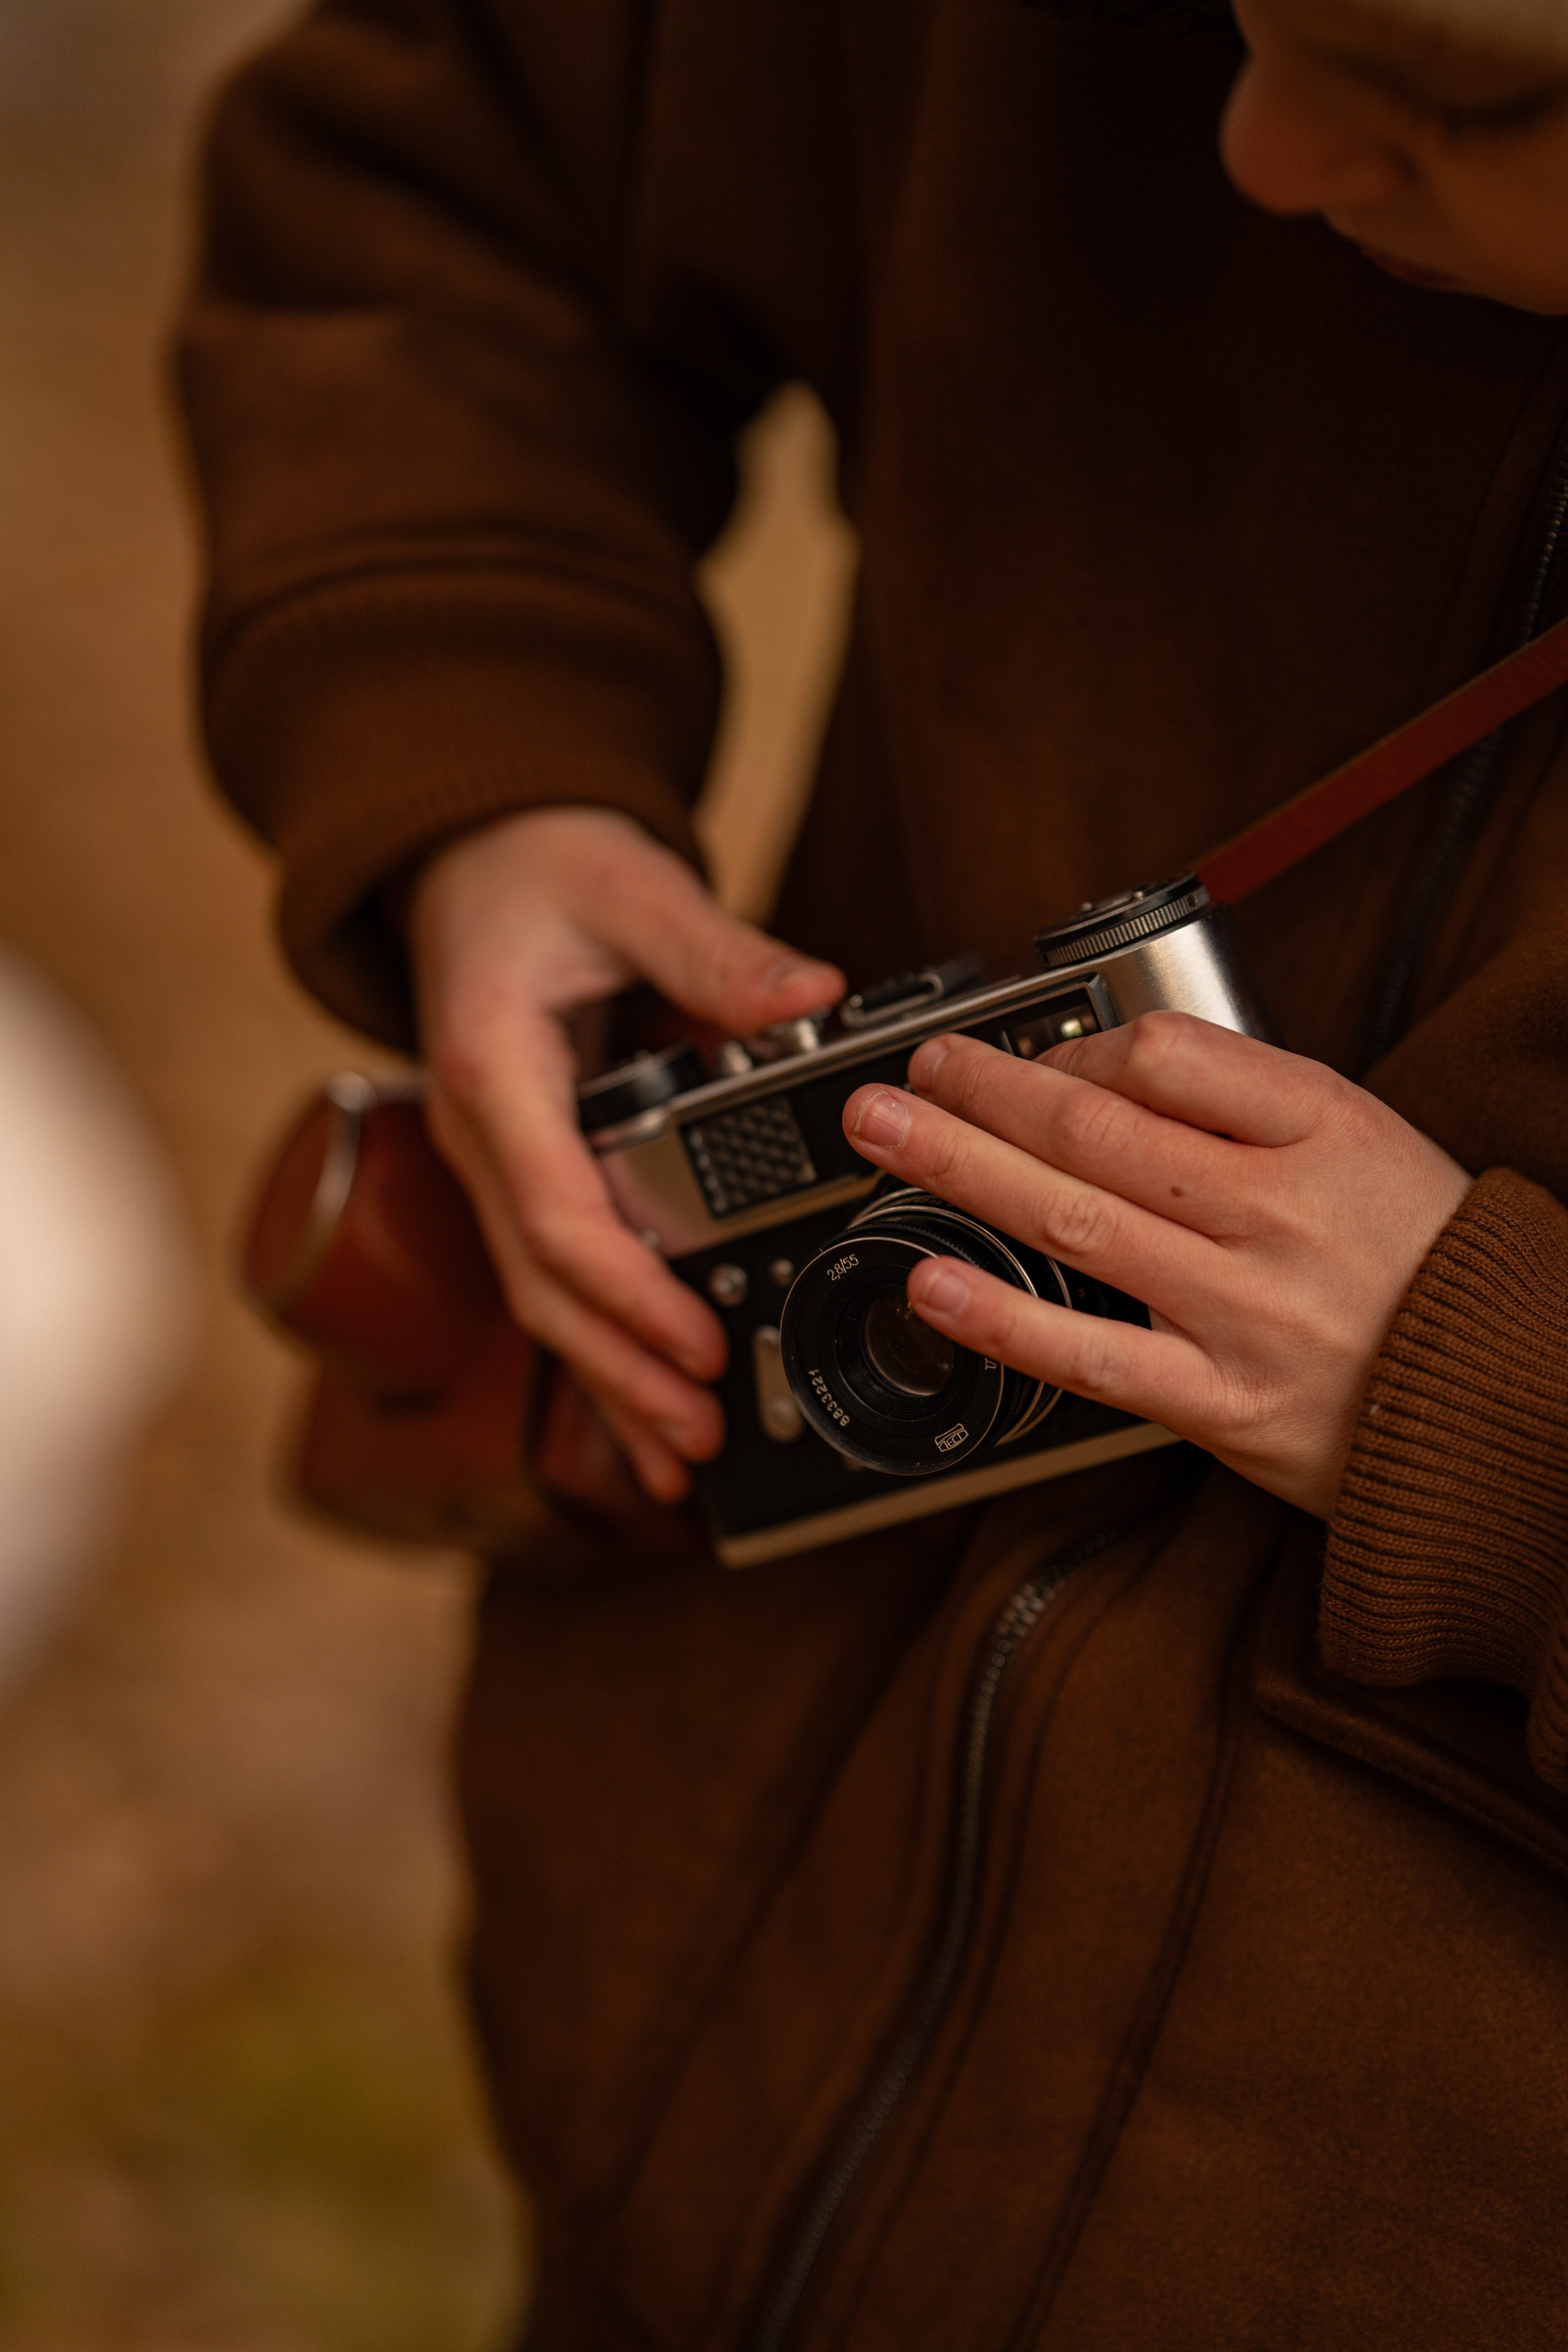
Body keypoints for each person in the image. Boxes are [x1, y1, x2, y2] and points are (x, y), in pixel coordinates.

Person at [180, 0, 1568, 2340]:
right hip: (695, 2043)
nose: (1254, 144)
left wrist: (1496, 1424)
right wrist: (485, 762)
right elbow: (448, 165)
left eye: (1468, 96)